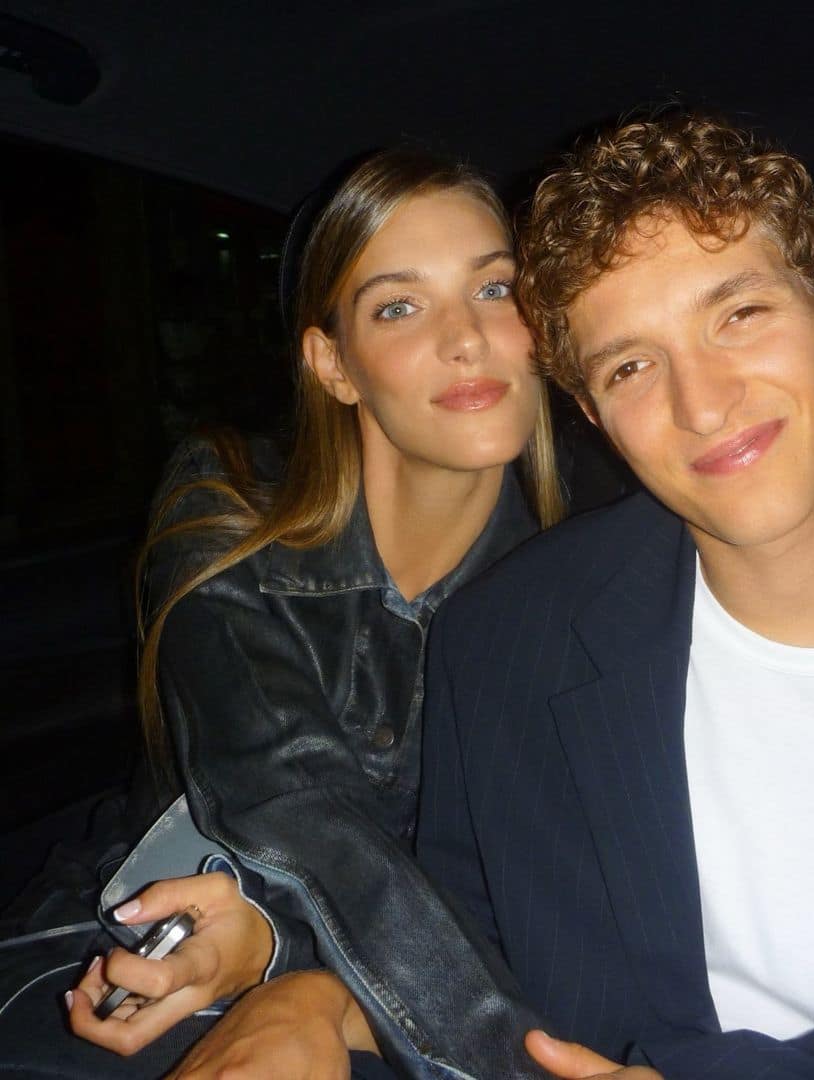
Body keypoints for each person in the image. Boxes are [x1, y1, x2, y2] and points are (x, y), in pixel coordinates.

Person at [152, 111, 814, 1078]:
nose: (704, 403)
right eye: (632, 364)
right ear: (590, 408)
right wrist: (313, 996)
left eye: (739, 315)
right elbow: (472, 928)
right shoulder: (510, 640)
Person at [2, 148, 565, 1078]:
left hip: (395, 983)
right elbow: (293, 808)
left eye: (495, 289)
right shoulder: (229, 510)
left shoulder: (595, 565)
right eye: (399, 305)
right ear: (332, 362)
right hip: (136, 934)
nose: (466, 338)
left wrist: (296, 977)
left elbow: (551, 886)